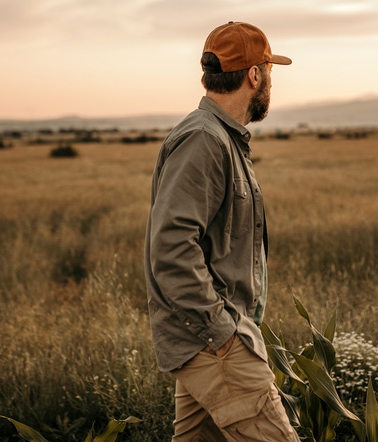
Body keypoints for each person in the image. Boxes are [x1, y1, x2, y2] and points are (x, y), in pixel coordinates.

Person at [144, 21, 300, 441]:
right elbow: (172, 248)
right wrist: (222, 332)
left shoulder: (222, 139)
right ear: (254, 75)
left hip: (208, 339)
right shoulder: (204, 140)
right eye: (269, 70)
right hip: (214, 342)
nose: (269, 81)